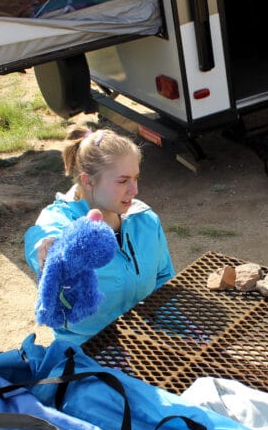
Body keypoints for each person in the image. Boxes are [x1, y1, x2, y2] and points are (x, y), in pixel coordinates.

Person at [24, 127, 174, 344]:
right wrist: (49, 248)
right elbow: (43, 241)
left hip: (145, 339)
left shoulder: (145, 221)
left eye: (136, 178)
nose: (135, 190)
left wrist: (181, 333)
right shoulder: (61, 223)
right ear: (88, 181)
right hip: (87, 349)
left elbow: (164, 280)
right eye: (123, 181)